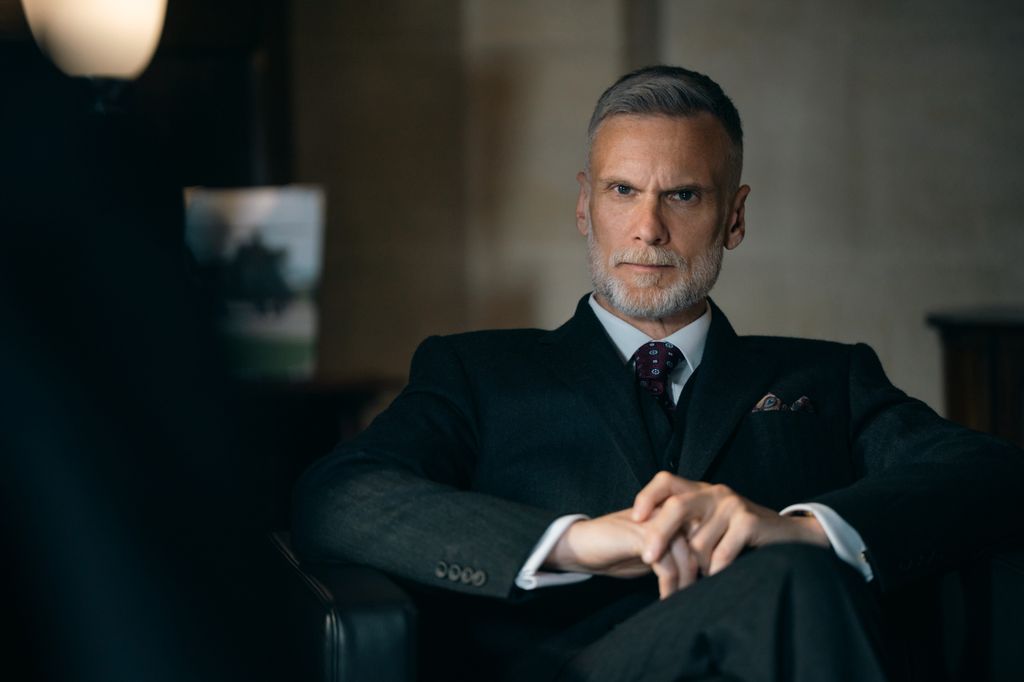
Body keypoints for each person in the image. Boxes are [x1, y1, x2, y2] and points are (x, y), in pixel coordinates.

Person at [292, 66, 1023, 681]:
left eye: (683, 195)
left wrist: (799, 531)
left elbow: (996, 474)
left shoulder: (828, 376)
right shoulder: (477, 371)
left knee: (795, 576)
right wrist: (573, 542)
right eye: (622, 192)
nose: (648, 228)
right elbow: (336, 496)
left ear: (734, 217)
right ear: (585, 206)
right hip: (574, 669)